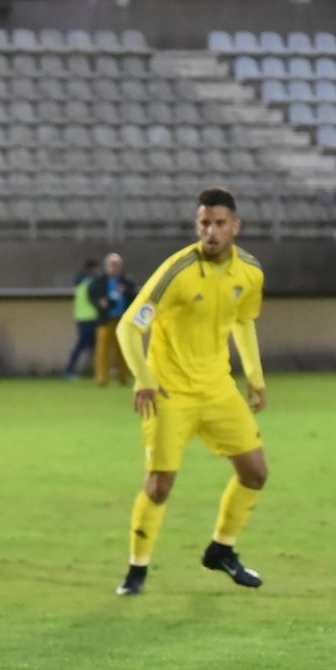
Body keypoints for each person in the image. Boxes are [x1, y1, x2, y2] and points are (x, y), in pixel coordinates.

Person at [113, 187, 268, 597]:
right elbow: (129, 326)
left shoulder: (250, 272)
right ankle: (137, 570)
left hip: (218, 389)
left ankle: (221, 550)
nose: (211, 231)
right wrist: (144, 377)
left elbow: (244, 321)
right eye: (204, 223)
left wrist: (254, 375)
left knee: (255, 472)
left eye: (219, 223)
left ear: (235, 227)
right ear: (196, 225)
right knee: (160, 484)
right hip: (170, 394)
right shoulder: (177, 272)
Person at [89, 253, 136, 387]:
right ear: (107, 266)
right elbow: (92, 296)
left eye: (117, 265)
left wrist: (125, 291)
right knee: (103, 350)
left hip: (123, 320)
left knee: (123, 350)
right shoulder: (99, 282)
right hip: (105, 319)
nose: (115, 268)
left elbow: (135, 296)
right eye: (112, 265)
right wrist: (100, 303)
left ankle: (124, 376)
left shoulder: (126, 282)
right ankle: (102, 377)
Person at [63, 258, 99, 379]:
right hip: (90, 318)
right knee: (85, 346)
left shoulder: (80, 283)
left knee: (89, 346)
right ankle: (70, 371)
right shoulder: (90, 283)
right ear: (92, 268)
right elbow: (93, 300)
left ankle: (98, 370)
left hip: (81, 318)